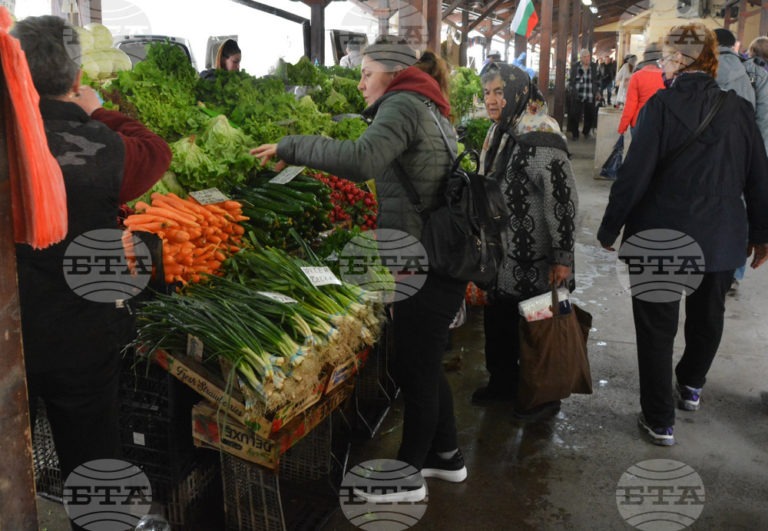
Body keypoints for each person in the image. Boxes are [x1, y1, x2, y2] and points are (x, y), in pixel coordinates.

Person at [252, 37, 467, 502]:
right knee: (425, 364)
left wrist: (293, 145)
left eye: (366, 73)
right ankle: (445, 456)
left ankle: (407, 478)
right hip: (436, 253)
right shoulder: (428, 103)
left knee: (416, 369)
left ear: (391, 73)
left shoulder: (404, 104)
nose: (360, 83)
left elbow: (360, 159)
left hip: (423, 260)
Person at [11, 15, 171, 525]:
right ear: (76, 78)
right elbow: (157, 152)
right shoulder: (105, 148)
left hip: (11, 345)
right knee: (95, 465)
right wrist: (100, 111)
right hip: (83, 339)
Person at [597, 23, 768, 447]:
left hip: (661, 236)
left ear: (679, 59)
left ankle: (660, 420)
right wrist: (761, 233)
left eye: (666, 56)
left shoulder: (660, 106)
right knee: (708, 317)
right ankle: (691, 386)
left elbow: (635, 175)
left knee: (657, 328)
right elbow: (758, 177)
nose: (662, 65)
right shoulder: (738, 110)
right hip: (720, 237)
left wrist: (610, 226)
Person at [471, 63, 578, 420]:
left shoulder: (540, 134)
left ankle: (545, 398)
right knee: (499, 320)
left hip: (539, 256)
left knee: (541, 326)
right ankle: (503, 384)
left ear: (517, 91)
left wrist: (562, 255)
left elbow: (561, 198)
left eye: (499, 92)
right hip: (504, 255)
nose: (491, 100)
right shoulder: (500, 131)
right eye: (487, 92)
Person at [618, 43, 664, 137]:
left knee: (638, 151)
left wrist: (622, 127)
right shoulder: (667, 77)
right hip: (659, 123)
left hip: (639, 122)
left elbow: (630, 105)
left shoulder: (637, 76)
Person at [567, 48, 600, 140]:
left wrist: (597, 92)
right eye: (585, 57)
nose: (587, 58)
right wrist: (571, 88)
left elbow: (597, 80)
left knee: (590, 114)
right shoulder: (575, 67)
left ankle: (586, 132)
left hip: (590, 94)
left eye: (588, 56)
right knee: (575, 114)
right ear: (581, 58)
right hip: (578, 94)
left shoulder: (594, 66)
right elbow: (571, 80)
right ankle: (575, 134)